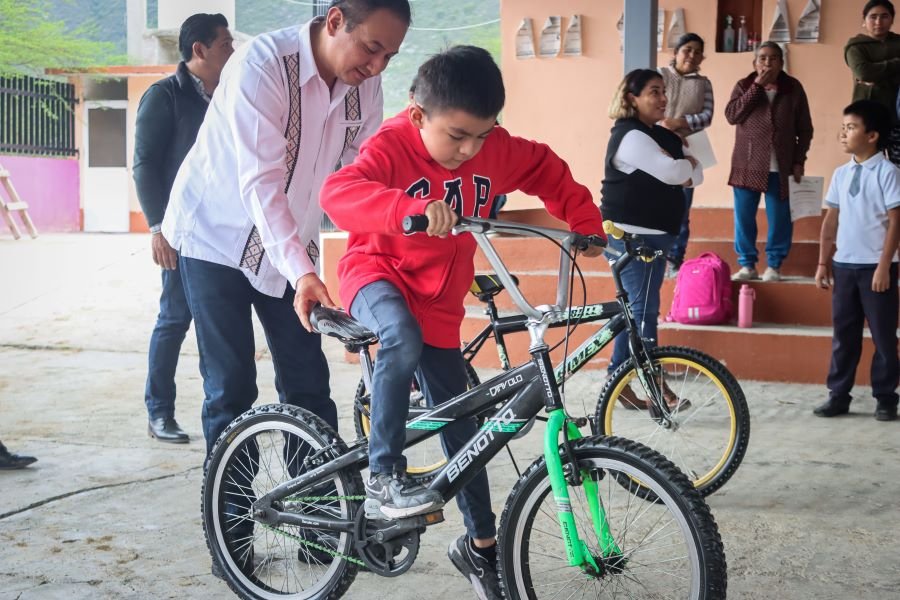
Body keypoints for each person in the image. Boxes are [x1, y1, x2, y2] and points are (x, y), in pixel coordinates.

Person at [320, 46, 604, 600]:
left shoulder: (491, 148)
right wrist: (406, 208)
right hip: (376, 276)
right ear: (420, 114)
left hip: (441, 305)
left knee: (468, 431)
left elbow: (546, 167)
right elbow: (339, 194)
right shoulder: (392, 144)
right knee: (398, 337)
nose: (471, 149)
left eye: (483, 134)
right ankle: (383, 475)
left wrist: (585, 223)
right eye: (457, 137)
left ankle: (479, 547)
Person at [160, 0, 410, 456]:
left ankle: (319, 517)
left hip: (292, 242)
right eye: (372, 48)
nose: (377, 66)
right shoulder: (263, 64)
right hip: (217, 237)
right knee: (231, 386)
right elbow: (260, 183)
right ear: (335, 21)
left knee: (309, 383)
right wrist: (303, 273)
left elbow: (363, 174)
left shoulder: (365, 83)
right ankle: (230, 521)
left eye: (389, 57)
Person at [133, 13, 234, 444]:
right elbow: (145, 166)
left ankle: (222, 411)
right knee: (174, 319)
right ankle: (160, 411)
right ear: (200, 50)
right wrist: (159, 227)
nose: (232, 52)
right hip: (180, 230)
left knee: (218, 326)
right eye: (225, 45)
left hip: (224, 230)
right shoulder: (165, 96)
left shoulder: (230, 95)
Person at [600, 68, 703, 409]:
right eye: (654, 92)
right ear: (632, 98)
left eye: (663, 91)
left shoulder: (657, 135)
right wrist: (682, 166)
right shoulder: (631, 136)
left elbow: (696, 173)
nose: (663, 98)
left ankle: (619, 382)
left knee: (636, 311)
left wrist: (684, 166)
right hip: (631, 239)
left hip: (652, 239)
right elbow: (676, 172)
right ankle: (655, 388)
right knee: (643, 312)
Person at [813, 100, 900, 422]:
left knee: (883, 336)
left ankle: (886, 397)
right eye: (844, 126)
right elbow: (831, 221)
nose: (843, 133)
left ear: (873, 135)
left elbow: (895, 222)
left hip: (876, 269)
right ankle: (838, 394)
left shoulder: (889, 173)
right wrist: (824, 262)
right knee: (844, 334)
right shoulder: (841, 173)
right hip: (844, 267)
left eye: (851, 127)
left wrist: (883, 266)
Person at [725, 41, 814, 282]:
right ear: (754, 63)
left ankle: (774, 265)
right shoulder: (744, 85)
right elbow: (732, 116)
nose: (767, 62)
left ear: (782, 63)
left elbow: (805, 129)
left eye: (773, 58)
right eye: (762, 58)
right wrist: (757, 87)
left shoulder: (793, 88)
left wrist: (799, 161)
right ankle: (747, 265)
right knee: (744, 217)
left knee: (780, 218)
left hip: (781, 167)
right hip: (747, 164)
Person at [657, 32, 714, 278]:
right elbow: (647, 105)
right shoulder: (659, 75)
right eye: (687, 49)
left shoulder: (704, 84)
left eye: (697, 51)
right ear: (676, 52)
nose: (692, 55)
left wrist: (679, 121)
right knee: (653, 203)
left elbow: (707, 116)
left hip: (687, 150)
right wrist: (664, 126)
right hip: (657, 148)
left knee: (682, 207)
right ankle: (654, 255)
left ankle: (674, 259)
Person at [844, 0, 900, 166]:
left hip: (896, 118)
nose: (878, 22)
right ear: (864, 20)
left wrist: (877, 76)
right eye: (873, 17)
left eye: (884, 16)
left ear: (892, 19)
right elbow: (865, 72)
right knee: (868, 167)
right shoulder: (855, 46)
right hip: (867, 117)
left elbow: (870, 74)